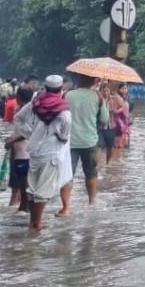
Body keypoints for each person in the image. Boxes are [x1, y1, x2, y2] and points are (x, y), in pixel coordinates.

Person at [16, 75, 73, 232]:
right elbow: (65, 136)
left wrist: (30, 134)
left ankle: (32, 222)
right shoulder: (64, 112)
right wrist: (58, 136)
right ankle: (37, 223)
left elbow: (18, 118)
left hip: (34, 152)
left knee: (32, 188)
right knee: (43, 191)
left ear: (46, 88)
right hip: (51, 153)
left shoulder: (35, 103)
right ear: (61, 90)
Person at [58, 74, 109, 216]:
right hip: (90, 141)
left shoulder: (67, 95)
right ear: (93, 80)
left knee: (67, 174)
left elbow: (59, 116)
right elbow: (105, 119)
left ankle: (65, 208)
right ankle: (92, 202)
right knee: (91, 173)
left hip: (70, 142)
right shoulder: (97, 97)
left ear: (79, 80)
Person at [4, 85, 36, 212]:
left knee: (23, 184)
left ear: (17, 97)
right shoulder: (32, 110)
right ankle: (23, 208)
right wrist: (12, 138)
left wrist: (12, 141)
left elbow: (28, 133)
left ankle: (24, 209)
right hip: (26, 151)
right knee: (23, 183)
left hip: (23, 152)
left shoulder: (24, 111)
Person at [105, 83, 132, 160]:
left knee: (121, 143)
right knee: (117, 143)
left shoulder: (124, 98)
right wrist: (121, 109)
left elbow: (126, 112)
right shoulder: (116, 97)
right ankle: (115, 160)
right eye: (123, 88)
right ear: (119, 89)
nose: (124, 90)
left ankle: (117, 160)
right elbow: (113, 110)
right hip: (118, 123)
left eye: (126, 88)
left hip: (124, 123)